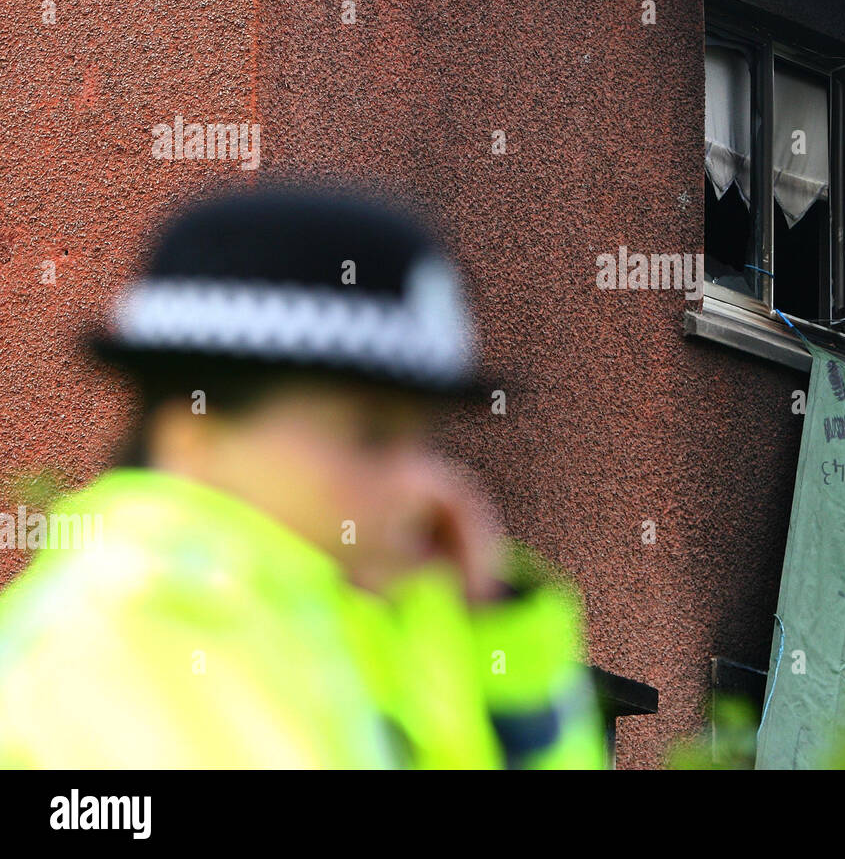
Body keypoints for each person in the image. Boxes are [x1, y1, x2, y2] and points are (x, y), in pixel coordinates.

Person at [0, 187, 605, 769]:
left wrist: (495, 626)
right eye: (370, 436)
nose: (424, 483)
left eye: (424, 440)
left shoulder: (384, 629)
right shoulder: (109, 650)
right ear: (195, 436)